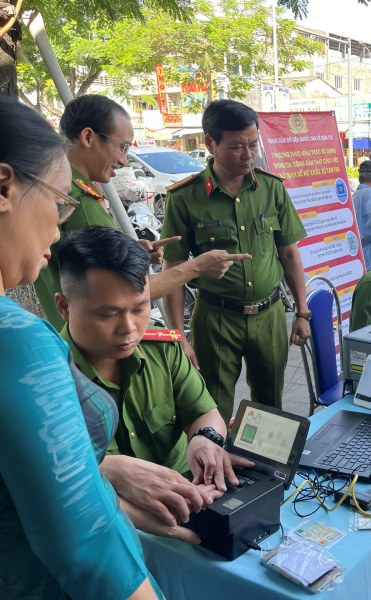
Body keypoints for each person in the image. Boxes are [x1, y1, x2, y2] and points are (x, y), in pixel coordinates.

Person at [0, 96, 160, 598]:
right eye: (57, 200)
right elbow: (87, 548)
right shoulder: (18, 343)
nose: (58, 225)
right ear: (4, 187)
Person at [55, 226, 254, 487]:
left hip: (193, 485)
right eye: (108, 314)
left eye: (140, 308)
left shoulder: (161, 348)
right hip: (117, 513)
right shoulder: (51, 380)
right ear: (65, 308)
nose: (129, 327)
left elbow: (204, 412)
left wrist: (205, 439)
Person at [33, 94, 250, 331]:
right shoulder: (81, 202)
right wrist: (196, 267)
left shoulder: (58, 191)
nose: (124, 160)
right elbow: (123, 293)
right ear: (88, 137)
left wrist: (133, 253)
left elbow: (85, 269)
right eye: (122, 146)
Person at [161, 99, 310, 422]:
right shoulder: (184, 197)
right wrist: (178, 336)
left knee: (270, 405)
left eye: (253, 144)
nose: (248, 155)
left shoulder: (271, 189)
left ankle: (267, 469)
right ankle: (216, 468)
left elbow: (288, 252)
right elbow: (172, 270)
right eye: (237, 147)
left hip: (269, 315)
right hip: (215, 318)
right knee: (212, 405)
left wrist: (302, 311)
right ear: (210, 143)